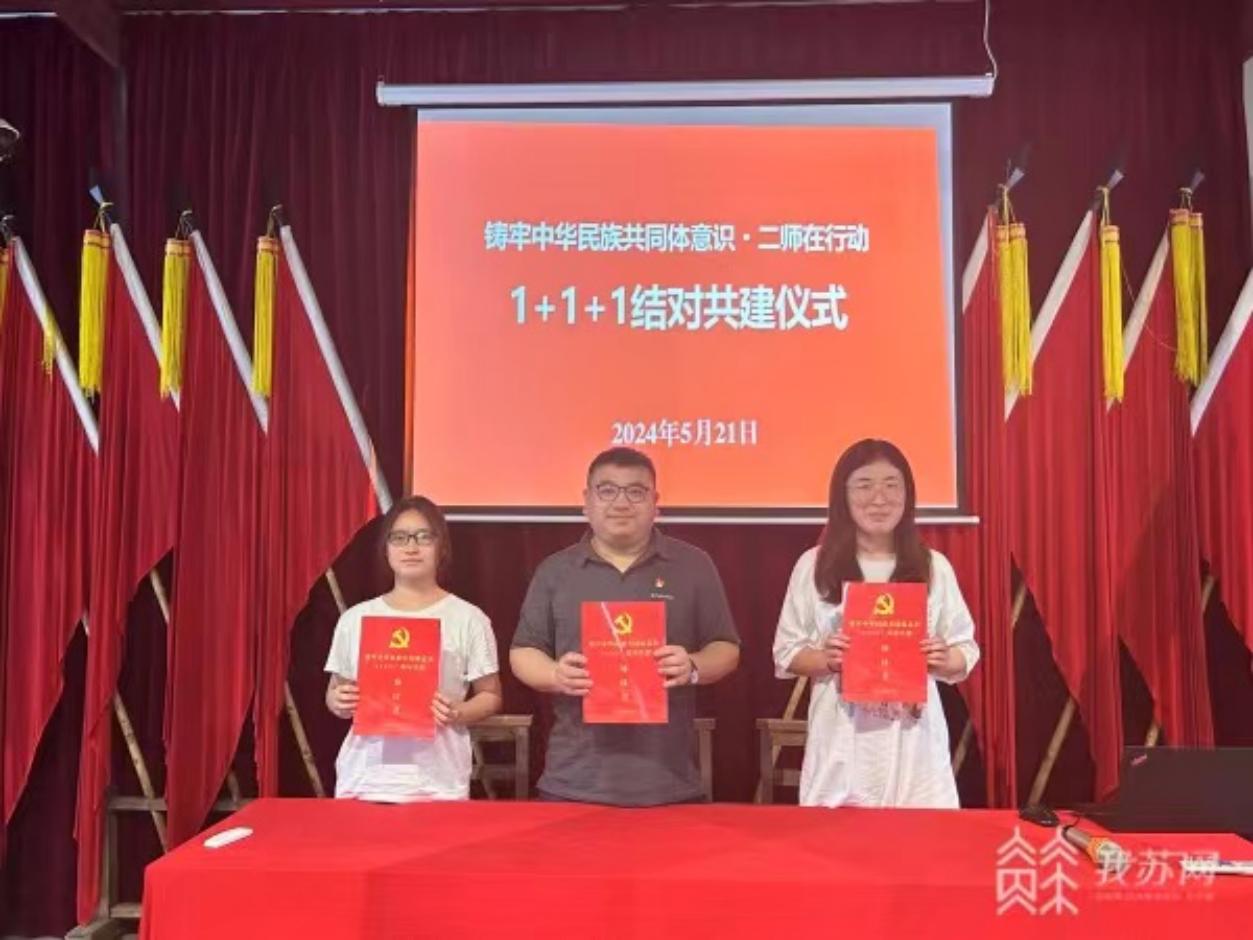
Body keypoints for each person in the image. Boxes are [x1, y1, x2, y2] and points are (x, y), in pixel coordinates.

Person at [510, 447, 740, 805]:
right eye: (607, 490)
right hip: (573, 781)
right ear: (586, 501)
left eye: (636, 491)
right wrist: (555, 674)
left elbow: (725, 648)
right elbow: (523, 651)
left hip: (668, 782)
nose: (621, 503)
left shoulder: (693, 565)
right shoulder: (555, 571)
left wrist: (693, 666)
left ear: (655, 503)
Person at [772, 438, 978, 808]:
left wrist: (945, 658)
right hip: (842, 742)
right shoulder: (814, 565)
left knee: (919, 839)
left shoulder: (933, 566)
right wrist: (826, 659)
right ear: (843, 496)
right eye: (864, 485)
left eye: (891, 485)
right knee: (838, 840)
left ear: (907, 495)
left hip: (914, 743)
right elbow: (786, 652)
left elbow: (966, 648)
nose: (879, 499)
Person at [325, 495, 502, 801]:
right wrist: (339, 701)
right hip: (365, 779)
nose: (411, 547)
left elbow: (491, 696)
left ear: (441, 547)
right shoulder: (355, 619)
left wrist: (458, 712)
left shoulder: (468, 618)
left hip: (437, 782)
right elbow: (334, 692)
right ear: (386, 549)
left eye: (424, 537)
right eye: (399, 537)